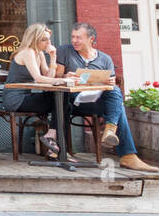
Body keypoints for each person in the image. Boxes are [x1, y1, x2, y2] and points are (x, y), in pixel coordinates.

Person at [56, 22, 157, 171]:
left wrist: (110, 82)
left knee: (115, 92)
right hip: (74, 100)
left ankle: (111, 131)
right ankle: (127, 154)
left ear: (91, 39)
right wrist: (67, 76)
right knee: (119, 108)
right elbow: (56, 76)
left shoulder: (105, 59)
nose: (75, 40)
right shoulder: (65, 51)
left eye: (79, 37)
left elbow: (111, 88)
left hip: (96, 100)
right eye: (73, 37)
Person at [1, 23, 59, 157]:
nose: (48, 43)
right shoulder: (28, 52)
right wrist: (61, 81)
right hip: (16, 99)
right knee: (61, 102)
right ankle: (53, 142)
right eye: (44, 39)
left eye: (49, 39)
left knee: (64, 102)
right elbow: (39, 78)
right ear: (34, 39)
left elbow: (48, 77)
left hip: (26, 97)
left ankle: (52, 138)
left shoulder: (40, 54)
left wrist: (53, 57)